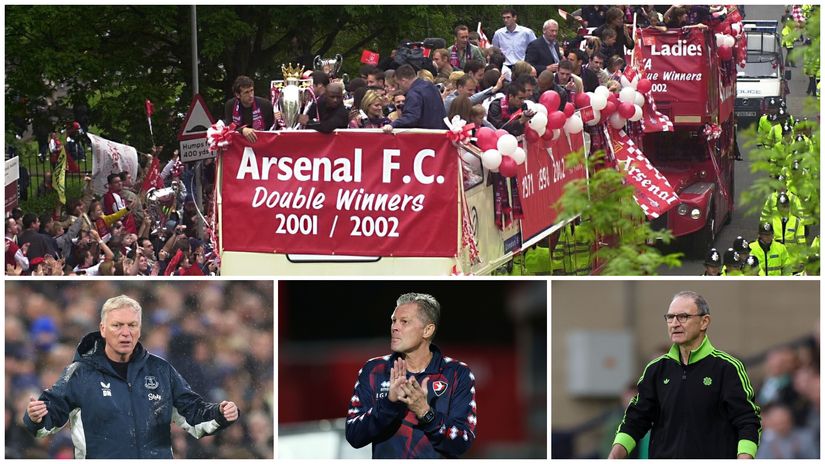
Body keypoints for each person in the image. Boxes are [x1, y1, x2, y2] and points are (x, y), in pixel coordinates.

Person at [23, 295, 239, 458]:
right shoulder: (80, 374)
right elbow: (48, 419)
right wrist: (36, 417)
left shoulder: (161, 370)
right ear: (103, 329)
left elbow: (194, 415)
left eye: (132, 325)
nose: (125, 332)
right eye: (117, 325)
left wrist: (220, 413)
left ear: (140, 329)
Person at [608, 291, 761, 459]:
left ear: (704, 321)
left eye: (683, 317)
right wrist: (614, 457)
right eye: (670, 317)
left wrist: (745, 457)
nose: (674, 324)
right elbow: (636, 419)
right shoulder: (655, 369)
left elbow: (748, 421)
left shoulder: (728, 368)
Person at [345, 293, 477, 458]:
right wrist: (389, 404)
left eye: (404, 322)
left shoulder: (457, 373)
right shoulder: (374, 370)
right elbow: (354, 435)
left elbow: (462, 442)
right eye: (393, 320)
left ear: (427, 330)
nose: (394, 327)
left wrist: (425, 412)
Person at [382, 64, 446, 132]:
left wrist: (392, 125)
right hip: (440, 132)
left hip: (424, 135)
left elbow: (411, 117)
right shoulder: (431, 86)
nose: (399, 87)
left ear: (403, 81)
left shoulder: (413, 94)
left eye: (398, 84)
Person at [223, 75, 275, 143]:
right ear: (238, 95)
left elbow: (272, 129)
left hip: (262, 142)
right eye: (246, 92)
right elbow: (229, 128)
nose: (251, 95)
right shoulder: (230, 105)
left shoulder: (265, 105)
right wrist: (242, 130)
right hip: (239, 144)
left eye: (252, 90)